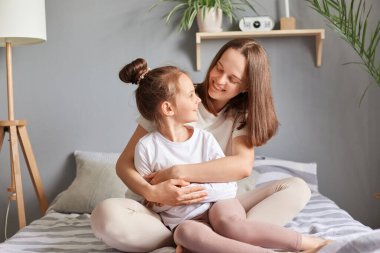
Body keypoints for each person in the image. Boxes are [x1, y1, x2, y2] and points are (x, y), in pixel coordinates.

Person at [91, 39, 313, 252]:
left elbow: (241, 167)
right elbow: (124, 165)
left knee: (297, 188)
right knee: (105, 215)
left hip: (217, 208)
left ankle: (210, 242)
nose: (220, 79)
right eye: (218, 67)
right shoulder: (172, 97)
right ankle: (200, 240)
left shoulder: (239, 115)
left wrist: (176, 172)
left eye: (233, 79)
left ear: (247, 86)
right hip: (164, 217)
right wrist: (154, 192)